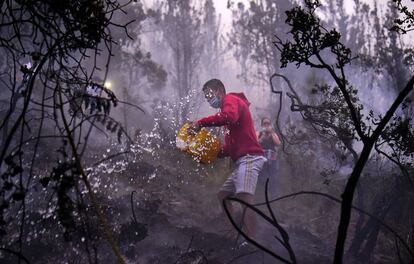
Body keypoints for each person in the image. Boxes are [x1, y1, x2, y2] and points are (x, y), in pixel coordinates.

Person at [188, 79, 266, 240]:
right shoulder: (228, 117)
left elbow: (229, 117)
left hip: (250, 158)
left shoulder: (231, 100)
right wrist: (210, 154)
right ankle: (233, 232)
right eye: (207, 97)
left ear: (220, 91)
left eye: (210, 95)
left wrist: (201, 123)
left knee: (245, 198)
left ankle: (252, 240)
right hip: (242, 161)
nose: (209, 99)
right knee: (223, 195)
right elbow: (230, 148)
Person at [256, 117, 281, 198]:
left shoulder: (273, 133)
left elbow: (277, 143)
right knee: (262, 177)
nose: (266, 125)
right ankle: (262, 196)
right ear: (262, 124)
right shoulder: (259, 133)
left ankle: (274, 196)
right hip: (261, 158)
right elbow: (255, 143)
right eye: (264, 123)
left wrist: (271, 133)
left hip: (272, 158)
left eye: (268, 123)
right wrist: (263, 135)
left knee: (273, 177)